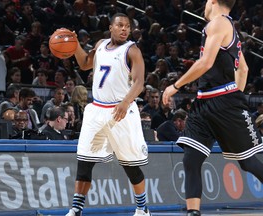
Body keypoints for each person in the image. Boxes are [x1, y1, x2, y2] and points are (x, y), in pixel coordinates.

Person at [162, 0, 263, 215]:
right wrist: (237, 93)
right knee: (191, 157)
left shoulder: (219, 23)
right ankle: (193, 212)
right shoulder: (229, 27)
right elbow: (243, 69)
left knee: (248, 163)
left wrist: (174, 86)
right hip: (204, 103)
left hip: (222, 102)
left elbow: (206, 62)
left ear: (213, 1)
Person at [65, 13, 151, 216]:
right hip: (97, 110)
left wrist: (125, 101)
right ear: (110, 27)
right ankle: (76, 209)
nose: (124, 29)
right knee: (85, 160)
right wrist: (75, 44)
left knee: (130, 164)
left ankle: (142, 208)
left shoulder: (132, 50)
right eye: (120, 25)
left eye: (127, 26)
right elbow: (86, 64)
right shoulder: (101, 44)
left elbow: (139, 83)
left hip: (122, 111)